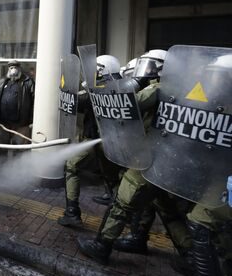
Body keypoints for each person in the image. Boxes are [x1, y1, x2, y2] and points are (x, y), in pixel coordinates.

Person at [77, 50, 193, 266]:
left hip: (150, 159)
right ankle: (191, 256)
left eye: (148, 65)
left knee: (121, 202)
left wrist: (137, 83)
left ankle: (102, 246)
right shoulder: (183, 91)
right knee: (166, 209)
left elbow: (130, 104)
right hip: (166, 159)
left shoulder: (158, 88)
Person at [58, 55, 123, 227]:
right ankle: (122, 213)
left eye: (95, 70)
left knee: (72, 165)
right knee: (112, 177)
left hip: (97, 140)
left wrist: (65, 90)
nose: (91, 74)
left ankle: (72, 213)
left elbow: (78, 103)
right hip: (112, 142)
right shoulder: (121, 87)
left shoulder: (100, 90)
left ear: (103, 70)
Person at [0, 59, 35, 148]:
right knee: (2, 146)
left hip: (21, 124)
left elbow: (34, 101)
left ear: (19, 68)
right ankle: (3, 162)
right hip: (3, 123)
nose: (13, 69)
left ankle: (18, 162)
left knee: (19, 148)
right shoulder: (3, 82)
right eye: (11, 67)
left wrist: (31, 120)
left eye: (15, 67)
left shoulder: (28, 82)